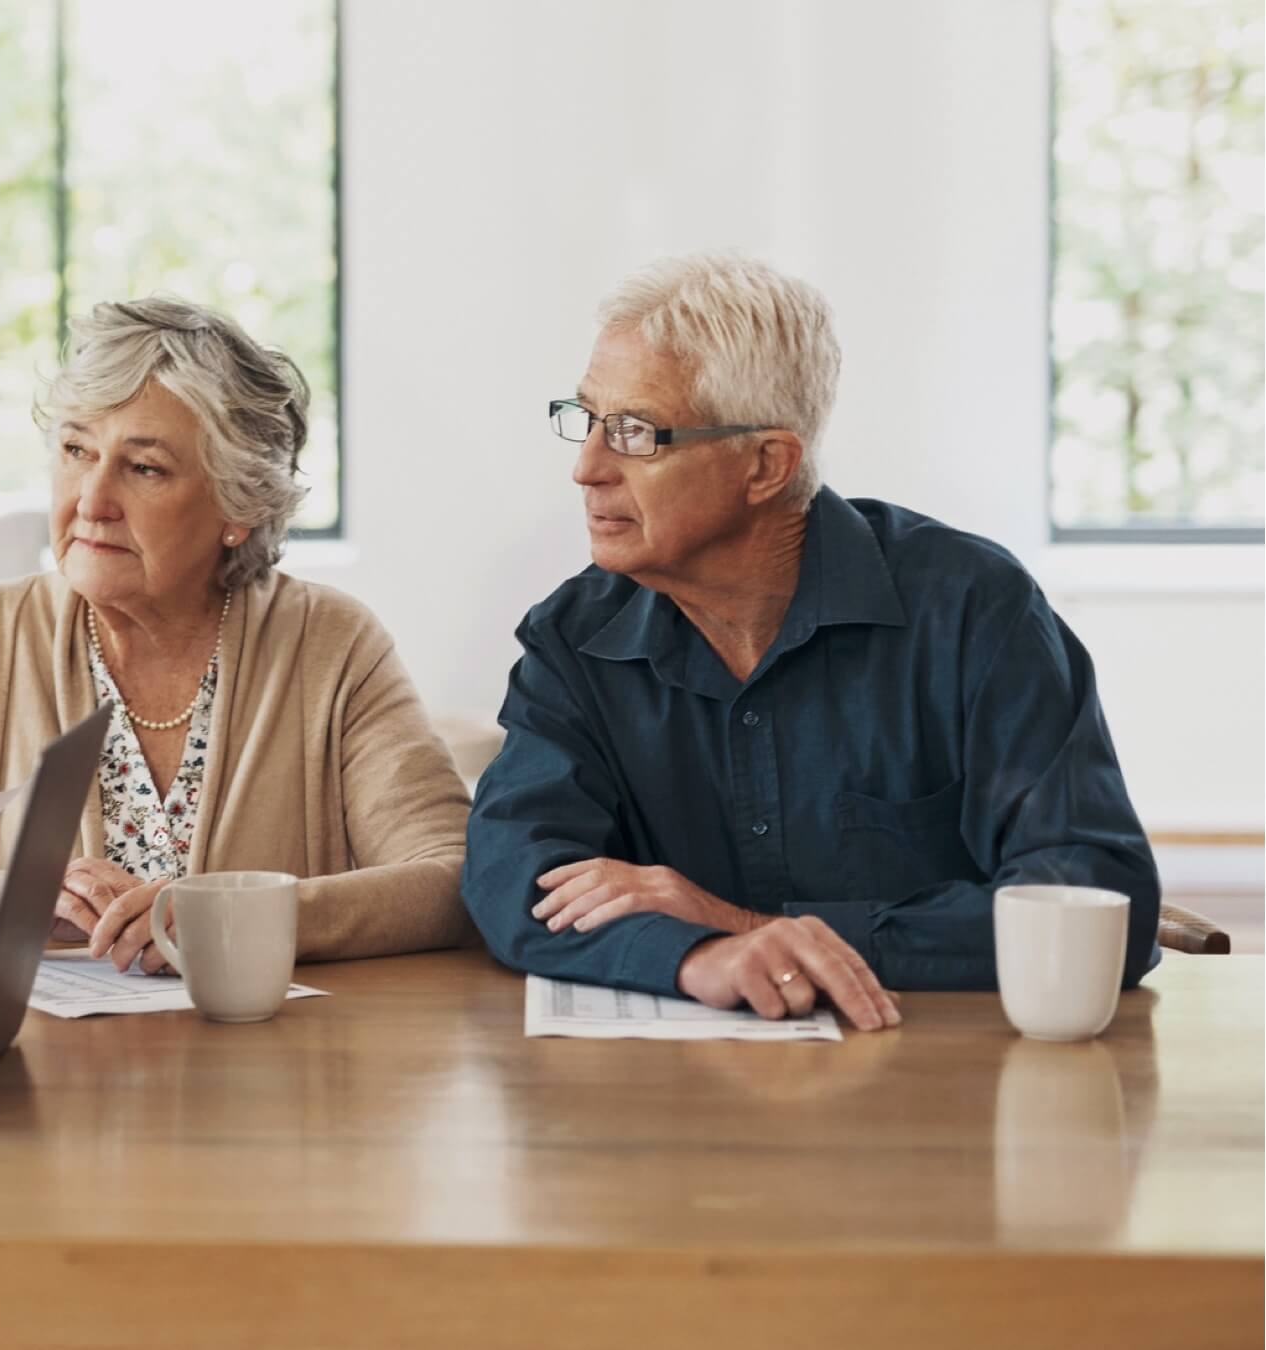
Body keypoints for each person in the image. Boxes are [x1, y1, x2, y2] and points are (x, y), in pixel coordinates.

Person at [462, 252, 1160, 1029]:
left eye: (634, 432)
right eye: (587, 420)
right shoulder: (574, 639)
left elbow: (1098, 902)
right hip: (676, 1086)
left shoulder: (972, 609)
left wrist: (749, 928)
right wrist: (698, 956)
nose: (587, 468)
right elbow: (514, 877)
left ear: (765, 465)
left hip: (946, 1078)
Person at [0, 297, 470, 972]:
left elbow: (449, 880)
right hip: (40, 1040)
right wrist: (5, 900)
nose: (91, 501)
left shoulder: (332, 643)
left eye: (145, 468)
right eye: (77, 451)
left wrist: (245, 916)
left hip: (271, 1036)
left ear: (239, 507)